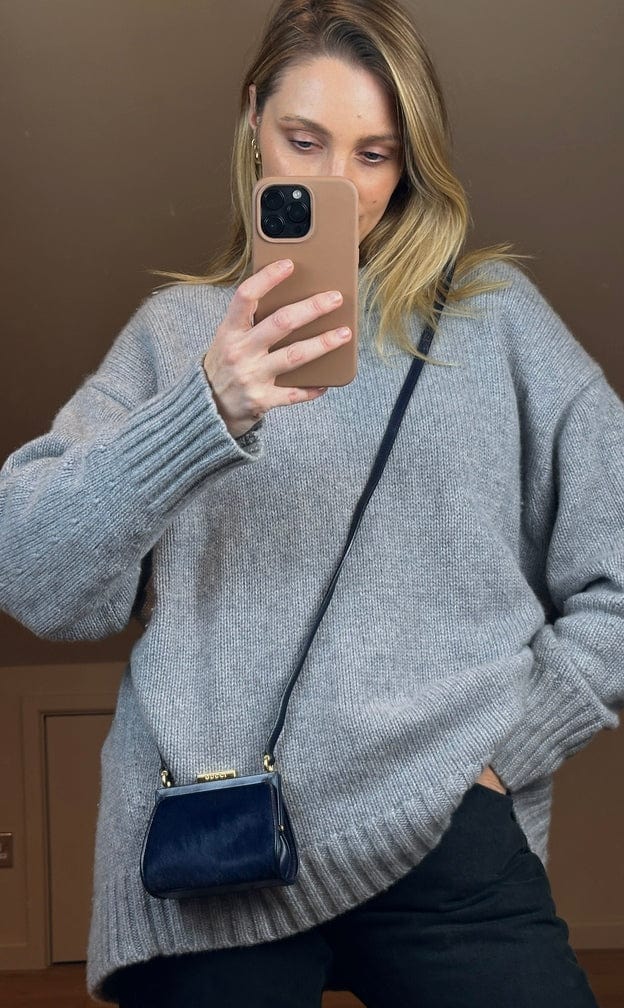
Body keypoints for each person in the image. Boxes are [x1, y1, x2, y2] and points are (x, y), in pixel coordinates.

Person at [0, 0, 621, 1005]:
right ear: (254, 121)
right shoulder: (178, 334)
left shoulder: (494, 320)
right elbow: (36, 574)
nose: (339, 183)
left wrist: (511, 751)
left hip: (447, 827)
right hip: (213, 843)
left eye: (375, 154)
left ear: (410, 163)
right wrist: (204, 410)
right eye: (305, 140)